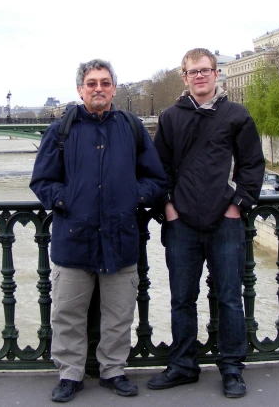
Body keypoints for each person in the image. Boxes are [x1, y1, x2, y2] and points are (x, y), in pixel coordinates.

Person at [30, 59, 168, 403]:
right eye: (91, 83)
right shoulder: (60, 130)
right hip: (74, 237)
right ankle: (69, 374)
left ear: (114, 89)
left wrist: (134, 195)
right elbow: (42, 181)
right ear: (80, 90)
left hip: (119, 237)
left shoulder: (131, 127)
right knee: (68, 314)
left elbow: (156, 178)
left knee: (119, 313)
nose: (98, 89)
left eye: (105, 83)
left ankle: (114, 370)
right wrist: (67, 201)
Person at [148, 48, 264, 399]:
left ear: (216, 74)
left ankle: (231, 368)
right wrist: (167, 209)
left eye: (205, 70)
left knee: (229, 297)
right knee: (183, 298)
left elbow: (252, 164)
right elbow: (158, 169)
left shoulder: (236, 115)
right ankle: (183, 365)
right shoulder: (170, 118)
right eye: (192, 72)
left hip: (224, 221)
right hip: (181, 222)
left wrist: (237, 206)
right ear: (184, 78)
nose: (199, 76)